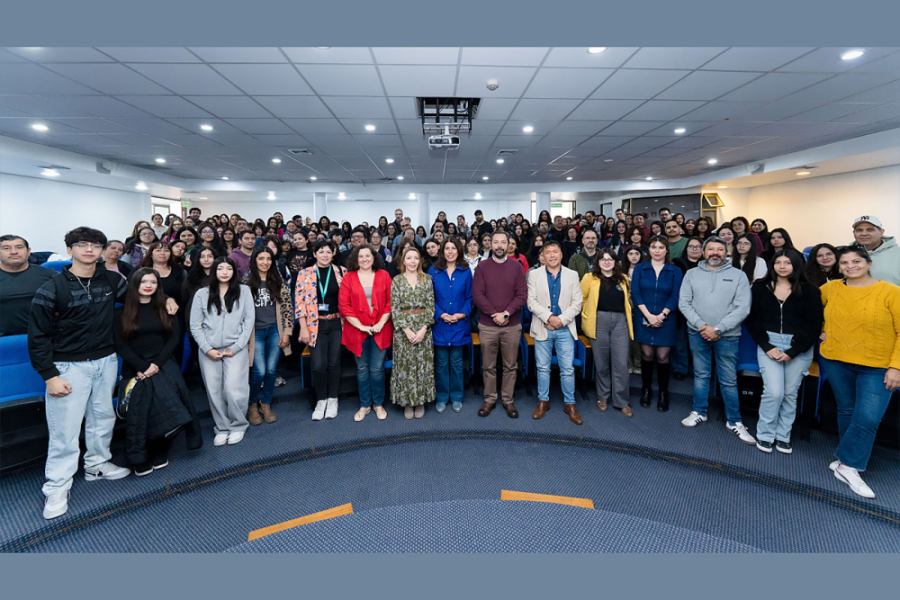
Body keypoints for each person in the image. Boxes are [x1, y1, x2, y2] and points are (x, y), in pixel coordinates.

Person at [29, 228, 138, 520]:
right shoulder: (53, 287)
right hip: (68, 366)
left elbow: (139, 298)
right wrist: (49, 375)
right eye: (82, 244)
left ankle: (97, 464)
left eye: (96, 245)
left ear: (103, 251)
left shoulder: (112, 280)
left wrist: (165, 301)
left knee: (103, 417)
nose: (89, 249)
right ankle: (57, 485)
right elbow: (37, 336)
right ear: (69, 250)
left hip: (106, 361)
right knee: (65, 429)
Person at [819, 245, 900, 498]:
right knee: (847, 410)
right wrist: (818, 329)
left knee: (867, 418)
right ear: (838, 266)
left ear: (869, 264)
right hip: (836, 359)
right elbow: (807, 311)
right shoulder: (829, 288)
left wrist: (896, 366)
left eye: (856, 261)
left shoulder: (891, 292)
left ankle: (846, 464)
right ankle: (848, 462)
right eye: (844, 263)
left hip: (877, 365)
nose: (850, 266)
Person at [113, 268, 201, 476]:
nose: (148, 285)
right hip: (136, 365)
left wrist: (156, 364)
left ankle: (161, 447)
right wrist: (143, 366)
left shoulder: (165, 308)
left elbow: (173, 339)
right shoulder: (120, 312)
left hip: (163, 361)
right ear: (134, 284)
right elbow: (120, 345)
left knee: (166, 398)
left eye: (153, 282)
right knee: (142, 406)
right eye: (143, 281)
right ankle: (140, 455)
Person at [678, 236, 754, 444]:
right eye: (710, 249)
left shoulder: (738, 276)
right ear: (703, 252)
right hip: (697, 332)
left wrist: (718, 328)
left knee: (728, 379)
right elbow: (684, 303)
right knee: (701, 375)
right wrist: (703, 326)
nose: (715, 253)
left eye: (719, 249)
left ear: (727, 252)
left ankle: (734, 420)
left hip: (727, 335)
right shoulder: (691, 274)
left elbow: (743, 308)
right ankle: (699, 411)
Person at [746, 249, 823, 454]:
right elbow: (752, 319)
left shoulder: (810, 290)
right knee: (774, 391)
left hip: (799, 346)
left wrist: (794, 350)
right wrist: (766, 345)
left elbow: (814, 324)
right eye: (778, 262)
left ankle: (783, 435)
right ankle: (765, 434)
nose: (782, 266)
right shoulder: (760, 287)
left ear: (796, 265)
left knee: (790, 393)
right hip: (769, 343)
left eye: (787, 262)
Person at [190, 257, 254, 447]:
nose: (225, 272)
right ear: (214, 271)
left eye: (229, 268)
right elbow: (195, 324)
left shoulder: (244, 291)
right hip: (209, 350)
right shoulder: (202, 294)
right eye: (220, 268)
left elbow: (248, 321)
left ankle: (238, 425)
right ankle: (222, 427)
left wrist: (236, 347)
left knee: (234, 390)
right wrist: (207, 348)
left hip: (236, 348)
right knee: (214, 391)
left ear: (234, 271)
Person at [527, 240, 584, 424]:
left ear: (561, 254)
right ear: (542, 256)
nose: (552, 255)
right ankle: (543, 401)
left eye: (555, 252)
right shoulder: (534, 274)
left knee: (567, 369)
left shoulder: (572, 275)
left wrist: (560, 320)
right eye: (548, 252)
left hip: (565, 328)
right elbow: (531, 302)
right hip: (543, 326)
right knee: (542, 368)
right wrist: (550, 317)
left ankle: (570, 404)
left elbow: (577, 303)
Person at [473, 231, 528, 418]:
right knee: (488, 365)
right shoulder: (482, 267)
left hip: (511, 325)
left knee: (510, 365)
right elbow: (478, 295)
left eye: (502, 242)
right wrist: (494, 314)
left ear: (508, 245)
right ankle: (489, 399)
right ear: (490, 244)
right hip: (488, 325)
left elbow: (522, 295)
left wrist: (505, 314)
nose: (498, 246)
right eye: (495, 242)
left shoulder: (517, 267)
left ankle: (508, 400)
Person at [339, 244, 393, 422]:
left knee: (377, 369)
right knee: (362, 369)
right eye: (361, 256)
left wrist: (380, 323)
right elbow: (344, 307)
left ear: (374, 258)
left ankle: (378, 404)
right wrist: (361, 327)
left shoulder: (384, 275)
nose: (364, 259)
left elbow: (390, 302)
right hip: (357, 331)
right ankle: (365, 404)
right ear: (356, 259)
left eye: (367, 256)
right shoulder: (349, 278)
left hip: (380, 329)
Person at [296, 240, 347, 421]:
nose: (325, 255)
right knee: (318, 365)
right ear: (315, 254)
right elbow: (300, 303)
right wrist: (303, 327)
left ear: (333, 253)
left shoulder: (342, 271)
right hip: (314, 325)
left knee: (334, 363)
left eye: (328, 252)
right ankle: (321, 400)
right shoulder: (305, 273)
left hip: (336, 324)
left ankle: (333, 399)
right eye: (321, 251)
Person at [631, 236, 683, 412]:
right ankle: (645, 390)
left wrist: (661, 316)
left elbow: (676, 295)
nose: (657, 250)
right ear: (649, 249)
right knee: (646, 354)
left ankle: (663, 393)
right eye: (654, 247)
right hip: (643, 316)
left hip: (666, 319)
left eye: (661, 247)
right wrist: (648, 316)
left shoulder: (674, 270)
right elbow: (635, 293)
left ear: (666, 250)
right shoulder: (640, 268)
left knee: (662, 356)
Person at [582, 248, 636, 416]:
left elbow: (627, 300)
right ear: (598, 262)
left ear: (615, 262)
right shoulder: (589, 278)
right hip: (598, 321)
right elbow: (581, 298)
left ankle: (622, 401)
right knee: (602, 362)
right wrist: (588, 314)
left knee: (621, 363)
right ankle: (602, 397)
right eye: (603, 259)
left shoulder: (624, 279)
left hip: (620, 322)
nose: (606, 262)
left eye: (610, 259)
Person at [245, 248, 293, 426]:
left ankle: (265, 404)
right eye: (261, 258)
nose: (265, 262)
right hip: (255, 333)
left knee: (272, 370)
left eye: (268, 259)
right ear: (254, 260)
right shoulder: (246, 283)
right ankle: (252, 405)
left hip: (275, 330)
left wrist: (287, 332)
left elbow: (288, 308)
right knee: (260, 371)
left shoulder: (278, 281)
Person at [390, 246, 436, 419]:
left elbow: (431, 306)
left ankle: (421, 401)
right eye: (409, 258)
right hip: (404, 330)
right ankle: (407, 402)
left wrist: (424, 329)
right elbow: (394, 308)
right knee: (405, 367)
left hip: (423, 327)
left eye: (415, 258)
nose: (412, 261)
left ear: (420, 261)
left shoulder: (427, 279)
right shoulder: (396, 281)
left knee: (422, 366)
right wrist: (407, 330)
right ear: (403, 261)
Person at [429, 237, 472, 414]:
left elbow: (470, 298)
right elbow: (429, 298)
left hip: (459, 325)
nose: (450, 252)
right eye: (447, 248)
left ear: (459, 250)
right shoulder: (433, 270)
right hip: (440, 324)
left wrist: (462, 314)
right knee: (440, 364)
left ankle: (456, 396)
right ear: (442, 251)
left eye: (453, 248)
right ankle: (441, 397)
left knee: (456, 363)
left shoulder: (465, 271)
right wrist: (440, 314)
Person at [0, 235, 56, 337]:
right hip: (3, 341)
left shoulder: (50, 275)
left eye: (19, 247)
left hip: (46, 339)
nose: (14, 252)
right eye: (6, 248)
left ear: (28, 251)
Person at [672, 237, 704, 381]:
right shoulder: (677, 263)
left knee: (701, 341)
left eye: (698, 246)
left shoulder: (708, 265)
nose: (694, 249)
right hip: (682, 306)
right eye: (691, 246)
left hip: (703, 308)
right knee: (680, 340)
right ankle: (680, 368)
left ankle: (701, 370)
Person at [851, 215, 900, 286]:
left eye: (870, 230)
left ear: (881, 232)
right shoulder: (846, 255)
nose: (864, 233)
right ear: (854, 233)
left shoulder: (897, 253)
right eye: (859, 230)